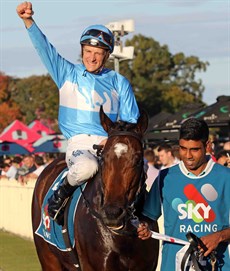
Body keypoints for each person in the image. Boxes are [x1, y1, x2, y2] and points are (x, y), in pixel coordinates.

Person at [16, 2, 140, 225]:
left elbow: (131, 122)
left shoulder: (119, 82)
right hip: (80, 145)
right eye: (88, 51)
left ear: (107, 55)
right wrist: (28, 21)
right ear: (82, 50)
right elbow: (45, 49)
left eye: (98, 53)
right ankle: (61, 194)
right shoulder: (66, 73)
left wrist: (114, 142)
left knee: (139, 169)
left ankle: (144, 219)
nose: (91, 58)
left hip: (111, 145)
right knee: (87, 168)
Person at [137, 118, 230, 271]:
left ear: (207, 146)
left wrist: (218, 237)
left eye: (194, 149)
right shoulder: (165, 178)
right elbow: (148, 218)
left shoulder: (226, 177)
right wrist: (144, 227)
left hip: (218, 265)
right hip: (173, 265)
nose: (188, 156)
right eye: (182, 148)